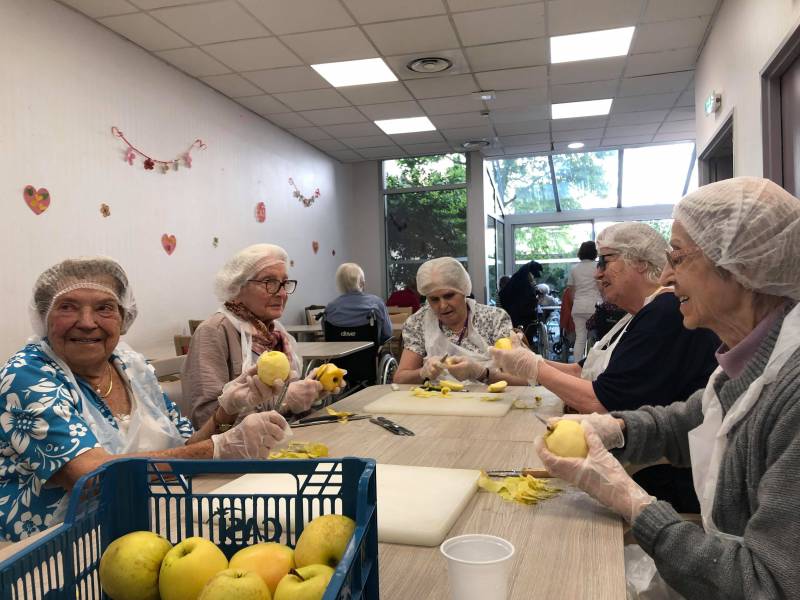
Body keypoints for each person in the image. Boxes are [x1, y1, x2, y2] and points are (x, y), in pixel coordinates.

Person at [535, 177, 800, 599]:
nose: (666, 275)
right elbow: (689, 419)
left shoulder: (792, 395)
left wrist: (636, 506)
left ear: (739, 267)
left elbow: (768, 585)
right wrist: (617, 429)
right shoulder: (748, 359)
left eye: (677, 258)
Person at [0, 257, 288, 541]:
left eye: (104, 308)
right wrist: (217, 449)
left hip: (147, 524)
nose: (87, 322)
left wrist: (226, 410)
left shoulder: (130, 365)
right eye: (67, 307)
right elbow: (90, 477)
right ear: (43, 316)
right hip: (56, 547)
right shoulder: (26, 376)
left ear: (124, 317)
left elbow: (183, 446)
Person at [492, 222, 719, 511]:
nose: (597, 273)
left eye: (605, 261)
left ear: (638, 261)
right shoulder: (637, 316)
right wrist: (525, 361)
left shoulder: (665, 314)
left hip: (663, 484)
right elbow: (579, 371)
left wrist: (533, 368)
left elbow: (600, 401)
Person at [182, 244, 331, 429]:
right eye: (270, 282)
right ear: (237, 288)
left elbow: (290, 411)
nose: (282, 293)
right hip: (240, 454)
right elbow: (204, 418)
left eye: (284, 283)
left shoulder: (277, 333)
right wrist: (285, 400)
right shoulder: (214, 332)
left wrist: (311, 394)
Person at [393, 257, 528, 386]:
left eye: (449, 296)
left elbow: (524, 380)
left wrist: (482, 373)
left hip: (489, 404)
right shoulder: (418, 322)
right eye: (434, 299)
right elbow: (400, 378)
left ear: (464, 290)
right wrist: (422, 373)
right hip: (437, 403)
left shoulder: (494, 319)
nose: (442, 306)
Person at [325, 263, 392, 344]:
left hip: (338, 355)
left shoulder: (330, 308)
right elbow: (388, 334)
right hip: (369, 355)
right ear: (362, 283)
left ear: (339, 283)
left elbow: (327, 336)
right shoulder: (376, 303)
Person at [567, 241, 602, 360]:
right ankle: (594, 366)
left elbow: (571, 291)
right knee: (598, 338)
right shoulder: (598, 267)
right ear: (595, 252)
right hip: (595, 307)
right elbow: (602, 287)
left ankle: (577, 366)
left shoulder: (574, 268)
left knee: (580, 338)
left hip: (578, 307)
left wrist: (576, 302)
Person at [497, 260, 543, 333]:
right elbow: (528, 300)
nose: (533, 278)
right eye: (533, 276)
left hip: (514, 316)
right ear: (530, 274)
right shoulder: (524, 283)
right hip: (521, 319)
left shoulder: (518, 279)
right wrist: (536, 299)